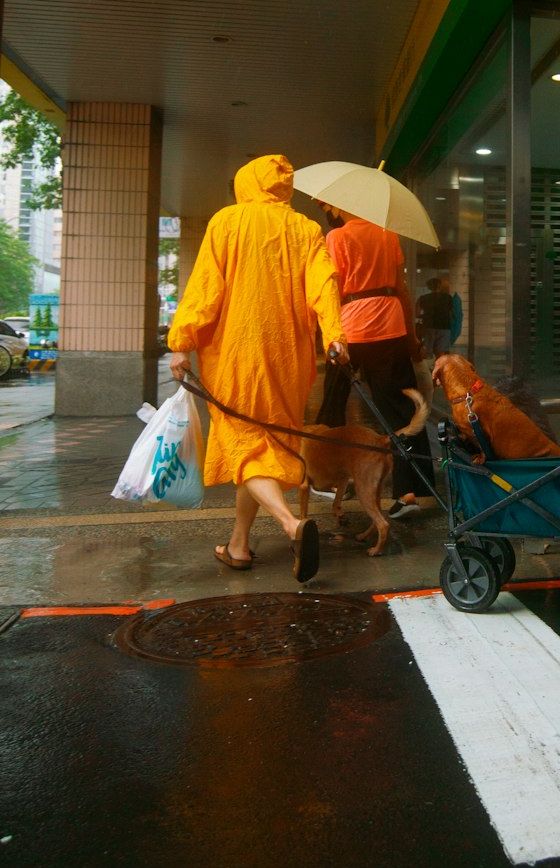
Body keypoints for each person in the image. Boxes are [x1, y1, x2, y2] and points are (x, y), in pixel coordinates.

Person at [168, 154, 348, 583]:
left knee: (244, 443)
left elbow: (205, 287)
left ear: (247, 183)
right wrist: (334, 335)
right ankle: (238, 544)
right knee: (262, 445)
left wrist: (182, 343)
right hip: (289, 358)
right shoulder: (307, 229)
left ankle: (291, 525)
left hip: (235, 355)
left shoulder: (227, 221)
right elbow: (324, 284)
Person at [321, 207, 435, 520]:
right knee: (400, 408)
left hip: (351, 328)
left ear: (343, 205)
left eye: (329, 205)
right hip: (391, 325)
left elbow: (333, 289)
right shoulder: (388, 234)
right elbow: (401, 289)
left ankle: (326, 478)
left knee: (332, 401)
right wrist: (412, 339)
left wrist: (326, 334)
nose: (328, 209)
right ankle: (411, 490)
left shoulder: (337, 237)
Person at [415, 276, 454, 359]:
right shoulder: (448, 298)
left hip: (429, 327)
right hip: (444, 327)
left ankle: (429, 370)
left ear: (429, 287)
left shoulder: (422, 298)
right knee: (441, 354)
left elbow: (417, 314)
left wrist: (424, 315)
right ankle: (439, 370)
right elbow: (453, 314)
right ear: (440, 286)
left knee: (427, 352)